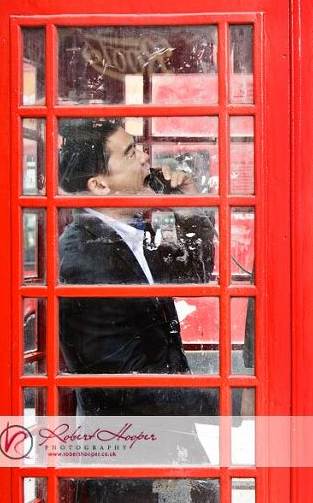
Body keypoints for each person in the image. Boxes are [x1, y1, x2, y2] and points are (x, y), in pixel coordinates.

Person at [58, 119, 218, 502]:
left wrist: (187, 202)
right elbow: (123, 380)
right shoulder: (86, 257)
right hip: (128, 465)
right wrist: (226, 402)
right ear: (99, 185)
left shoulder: (132, 233)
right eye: (132, 152)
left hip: (166, 444)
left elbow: (195, 272)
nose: (147, 156)